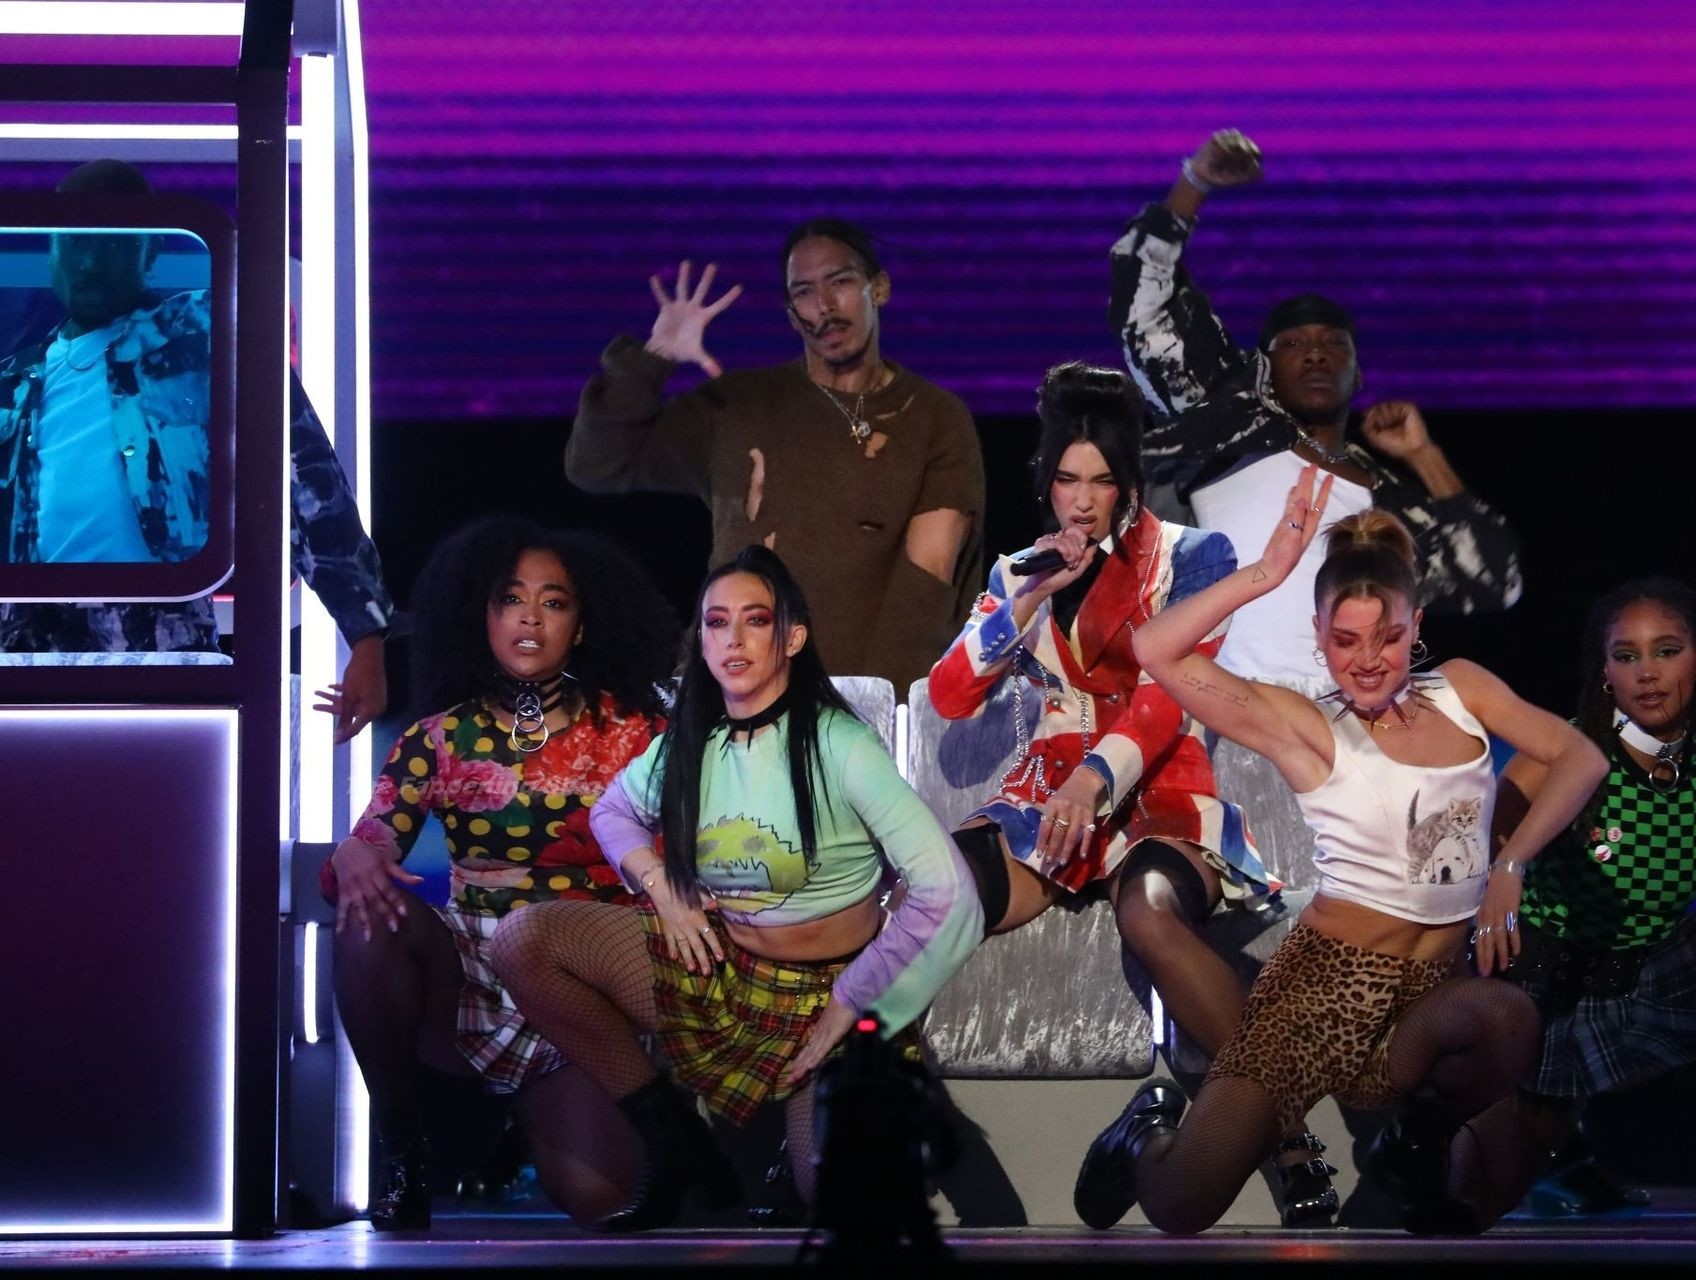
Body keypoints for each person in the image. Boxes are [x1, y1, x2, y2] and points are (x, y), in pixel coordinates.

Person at [1073, 474, 1607, 1235]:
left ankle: (1412, 1146)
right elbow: (1155, 647)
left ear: (1416, 625)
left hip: (1427, 997)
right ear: (1320, 635)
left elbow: (1581, 759)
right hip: (1318, 997)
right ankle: (1144, 1135)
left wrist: (1510, 866)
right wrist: (1267, 572)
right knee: (1182, 1205)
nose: (1367, 660)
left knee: (1509, 1016)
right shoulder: (1307, 725)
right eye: (1345, 640)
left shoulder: (1461, 691)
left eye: (1387, 637)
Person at [927, 364, 1335, 1224]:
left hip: (1155, 791)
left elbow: (1163, 701)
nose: (1082, 501)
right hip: (1046, 806)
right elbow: (950, 696)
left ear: (1128, 483)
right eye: (1066, 480)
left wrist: (1094, 777)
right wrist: (1026, 595)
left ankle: (1285, 1137)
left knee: (1149, 911)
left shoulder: (1194, 556)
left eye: (1102, 480)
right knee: (932, 890)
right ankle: (855, 1121)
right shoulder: (1020, 570)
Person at [489, 545, 983, 1231]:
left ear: (792, 637)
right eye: (717, 623)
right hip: (724, 975)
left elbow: (948, 892)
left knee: (842, 1199)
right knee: (524, 940)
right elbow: (614, 812)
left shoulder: (841, 744)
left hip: (833, 998)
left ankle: (832, 1138)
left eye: (755, 620)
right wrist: (664, 889)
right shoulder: (692, 741)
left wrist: (857, 1000)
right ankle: (674, 1140)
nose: (734, 639)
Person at [320, 517, 678, 1230]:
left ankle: (528, 1125)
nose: (530, 618)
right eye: (511, 599)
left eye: (554, 602)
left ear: (581, 626)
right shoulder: (437, 737)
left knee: (604, 1199)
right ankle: (402, 1147)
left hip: (578, 980)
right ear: (481, 617)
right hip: (469, 977)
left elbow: (675, 870)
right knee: (366, 921)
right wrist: (353, 855)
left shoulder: (640, 734)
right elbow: (367, 854)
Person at [1109, 129, 1521, 689]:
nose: (1316, 354)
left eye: (1333, 344)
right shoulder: (1226, 423)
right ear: (1263, 366)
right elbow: (1144, 305)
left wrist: (1424, 455)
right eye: (1294, 344)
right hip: (1212, 708)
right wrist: (1195, 182)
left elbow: (1494, 581)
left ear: (1359, 374)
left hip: (1341, 720)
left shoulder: (1382, 498)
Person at [0, 159, 392, 742]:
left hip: (164, 637)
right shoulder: (15, 382)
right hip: (32, 648)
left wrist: (366, 635)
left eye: (114, 243)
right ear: (51, 253)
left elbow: (306, 478)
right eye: (76, 242)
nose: (90, 261)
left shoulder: (203, 336)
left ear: (152, 250)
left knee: (168, 787)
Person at [565, 219, 985, 697]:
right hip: (730, 694)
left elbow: (927, 581)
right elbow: (596, 465)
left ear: (880, 288)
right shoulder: (737, 406)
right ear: (790, 313)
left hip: (860, 702)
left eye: (841, 282)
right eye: (804, 292)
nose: (824, 305)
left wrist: (871, 709)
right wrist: (654, 357)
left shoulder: (933, 416)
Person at [1492, 579, 1696, 1215]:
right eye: (1626, 656)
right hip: (1553, 981)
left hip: (1654, 974)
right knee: (1490, 1191)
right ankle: (1543, 1142)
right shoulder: (1560, 752)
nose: (1647, 673)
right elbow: (1483, 858)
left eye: (1666, 651)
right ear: (1606, 673)